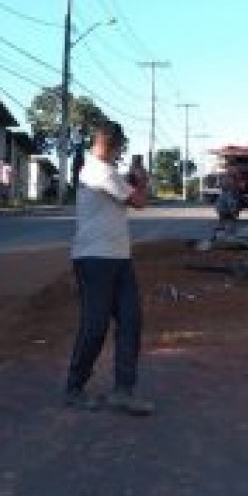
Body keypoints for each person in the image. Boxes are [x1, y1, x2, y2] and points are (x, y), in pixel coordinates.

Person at [64, 121, 153, 416]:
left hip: (117, 257)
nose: (119, 154)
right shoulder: (99, 171)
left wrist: (130, 178)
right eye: (118, 149)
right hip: (94, 259)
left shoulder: (104, 170)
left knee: (131, 320)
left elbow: (119, 190)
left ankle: (123, 391)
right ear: (110, 145)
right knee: (95, 326)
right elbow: (139, 201)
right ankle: (74, 387)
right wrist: (141, 181)